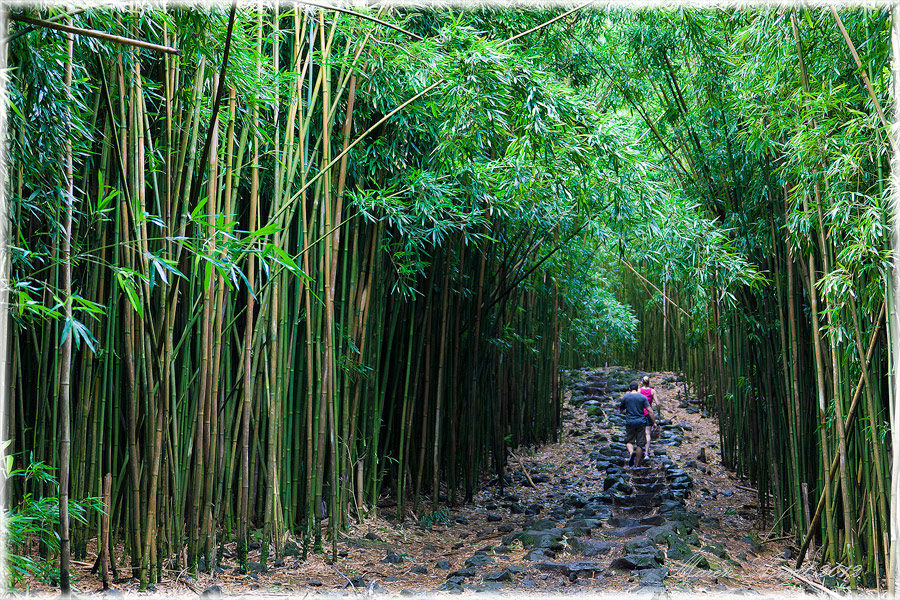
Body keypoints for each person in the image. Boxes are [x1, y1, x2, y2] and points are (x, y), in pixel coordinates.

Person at [619, 381, 655, 468]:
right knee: (640, 444)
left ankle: (631, 453)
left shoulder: (625, 397)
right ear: (637, 388)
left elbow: (621, 409)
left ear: (629, 388)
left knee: (629, 441)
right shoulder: (642, 397)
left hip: (630, 422)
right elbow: (649, 410)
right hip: (641, 422)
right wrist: (654, 422)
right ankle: (637, 464)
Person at [638, 376, 660, 459]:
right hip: (648, 413)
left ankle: (639, 449)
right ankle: (646, 453)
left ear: (642, 382)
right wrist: (658, 414)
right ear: (649, 382)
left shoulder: (639, 390)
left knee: (640, 432)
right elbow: (657, 403)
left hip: (640, 413)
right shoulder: (652, 391)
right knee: (648, 433)